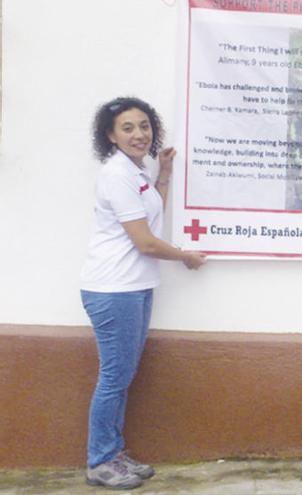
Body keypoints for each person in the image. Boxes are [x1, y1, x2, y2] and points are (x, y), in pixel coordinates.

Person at [80, 97, 207, 489]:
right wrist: (185, 256)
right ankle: (100, 460)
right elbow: (145, 242)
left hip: (134, 287)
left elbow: (151, 215)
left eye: (144, 126)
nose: (139, 134)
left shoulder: (135, 173)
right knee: (115, 377)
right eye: (128, 128)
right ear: (110, 135)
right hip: (113, 288)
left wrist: (163, 174)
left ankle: (114, 454)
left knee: (123, 374)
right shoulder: (116, 174)